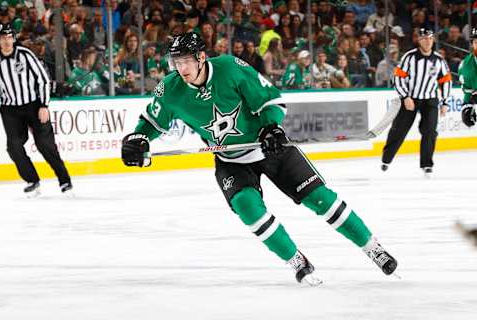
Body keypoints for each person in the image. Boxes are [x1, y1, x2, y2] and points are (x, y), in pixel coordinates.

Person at [121, 32, 398, 285]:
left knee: (320, 199)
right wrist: (139, 139)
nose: (181, 68)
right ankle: (296, 260)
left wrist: (271, 127)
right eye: (176, 62)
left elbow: (270, 100)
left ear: (201, 57)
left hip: (270, 148)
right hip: (230, 160)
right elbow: (151, 121)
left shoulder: (230, 68)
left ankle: (372, 247)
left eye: (186, 61)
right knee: (247, 207)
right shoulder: (170, 89)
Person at [0, 24, 72, 196]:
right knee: (13, 147)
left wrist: (44, 105)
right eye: (3, 37)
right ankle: (32, 180)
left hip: (33, 105)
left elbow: (43, 80)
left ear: (13, 39)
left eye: (9, 37)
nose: (7, 41)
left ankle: (64, 180)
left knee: (45, 145)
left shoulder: (25, 55)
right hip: (9, 109)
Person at [382, 28, 451, 177]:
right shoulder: (409, 57)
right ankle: (386, 158)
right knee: (399, 130)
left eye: (430, 38)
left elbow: (446, 81)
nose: (427, 41)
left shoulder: (439, 59)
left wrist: (445, 102)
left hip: (430, 100)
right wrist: (405, 97)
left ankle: (427, 165)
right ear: (419, 40)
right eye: (424, 38)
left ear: (433, 40)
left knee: (430, 132)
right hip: (410, 98)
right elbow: (398, 77)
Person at [459, 28, 477, 128]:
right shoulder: (466, 66)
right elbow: (468, 91)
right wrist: (466, 106)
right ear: (472, 44)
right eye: (476, 42)